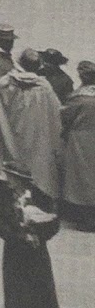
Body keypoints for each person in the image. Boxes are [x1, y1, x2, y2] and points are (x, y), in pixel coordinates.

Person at [0, 49, 63, 206]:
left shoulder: (6, 83)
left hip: (14, 131)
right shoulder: (44, 86)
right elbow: (56, 114)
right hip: (37, 134)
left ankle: (12, 196)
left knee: (13, 164)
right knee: (37, 164)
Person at [0, 161, 60, 308]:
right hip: (14, 255)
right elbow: (0, 226)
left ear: (20, 180)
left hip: (37, 255)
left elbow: (54, 224)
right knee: (16, 295)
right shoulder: (3, 197)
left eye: (10, 177)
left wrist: (38, 233)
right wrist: (21, 236)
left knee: (40, 294)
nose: (7, 181)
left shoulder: (40, 197)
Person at [60, 59, 95, 229]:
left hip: (80, 141)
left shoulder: (77, 97)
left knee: (81, 179)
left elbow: (64, 118)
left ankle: (85, 218)